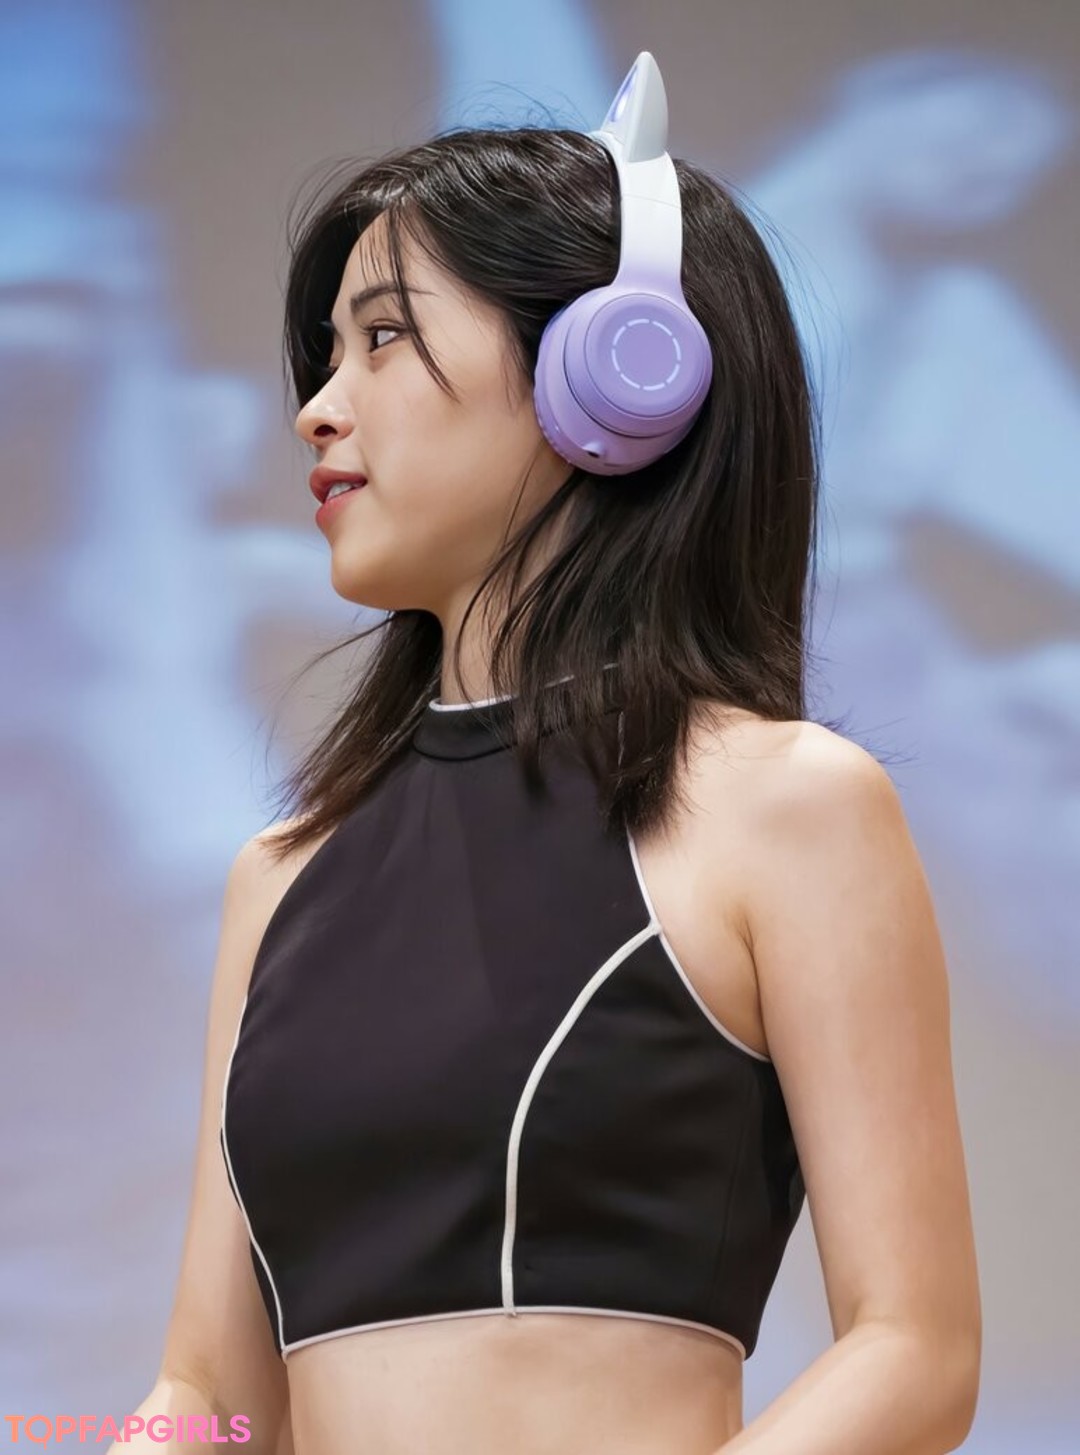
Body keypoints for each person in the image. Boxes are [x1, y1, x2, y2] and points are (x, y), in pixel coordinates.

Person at [115, 57, 981, 1455]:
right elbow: (208, 1398)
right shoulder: (278, 876)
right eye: (325, 356)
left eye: (383, 338)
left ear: (613, 372)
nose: (316, 408)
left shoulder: (786, 807)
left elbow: (914, 1352)